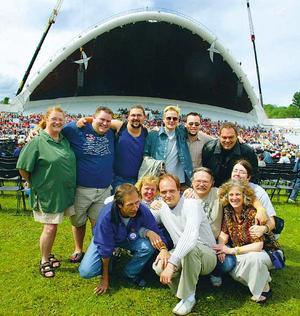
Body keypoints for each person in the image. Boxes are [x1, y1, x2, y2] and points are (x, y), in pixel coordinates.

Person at [17, 106, 76, 278]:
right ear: (46, 119)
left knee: (53, 225)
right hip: (46, 193)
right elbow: (23, 167)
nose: (57, 122)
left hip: (62, 193)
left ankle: (48, 252)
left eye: (60, 119)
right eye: (54, 119)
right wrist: (35, 183)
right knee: (49, 227)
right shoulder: (37, 141)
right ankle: (44, 260)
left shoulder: (63, 140)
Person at [79, 183, 169, 293]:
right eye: (130, 205)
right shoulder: (106, 215)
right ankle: (110, 263)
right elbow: (104, 248)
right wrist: (105, 279)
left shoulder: (143, 209)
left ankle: (129, 273)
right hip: (105, 240)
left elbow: (157, 232)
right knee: (86, 272)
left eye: (137, 203)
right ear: (119, 205)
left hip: (128, 238)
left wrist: (163, 249)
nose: (135, 208)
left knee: (147, 247)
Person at [152, 174, 217, 315]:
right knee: (159, 266)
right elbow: (145, 219)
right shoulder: (162, 206)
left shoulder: (192, 204)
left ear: (179, 190)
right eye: (163, 192)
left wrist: (172, 263)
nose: (168, 195)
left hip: (206, 255)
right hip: (182, 252)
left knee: (189, 249)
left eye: (172, 190)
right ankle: (182, 292)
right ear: (159, 193)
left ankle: (188, 297)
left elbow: (190, 237)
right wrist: (150, 205)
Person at [62, 106, 115, 263]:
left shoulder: (111, 133)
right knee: (78, 222)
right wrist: (36, 130)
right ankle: (78, 249)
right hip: (81, 188)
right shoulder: (76, 128)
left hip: (104, 189)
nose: (104, 124)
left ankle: (98, 251)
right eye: (101, 119)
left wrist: (92, 119)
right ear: (94, 117)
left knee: (98, 223)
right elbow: (53, 129)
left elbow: (118, 123)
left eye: (108, 121)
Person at [214, 180, 281, 303]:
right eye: (231, 195)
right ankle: (264, 280)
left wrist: (231, 250)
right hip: (244, 250)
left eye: (238, 194)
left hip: (266, 251)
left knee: (253, 259)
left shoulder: (252, 213)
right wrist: (221, 247)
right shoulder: (228, 210)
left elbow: (259, 245)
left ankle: (263, 290)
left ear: (244, 196)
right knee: (234, 269)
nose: (234, 198)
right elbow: (224, 232)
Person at [144, 105, 193, 187]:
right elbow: (145, 154)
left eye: (175, 118)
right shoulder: (153, 135)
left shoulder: (182, 133)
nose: (171, 120)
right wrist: (158, 165)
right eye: (168, 118)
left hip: (178, 181)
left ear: (178, 120)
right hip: (158, 179)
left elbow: (197, 132)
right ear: (163, 119)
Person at [202, 122, 258, 187]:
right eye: (224, 137)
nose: (227, 140)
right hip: (213, 189)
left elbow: (254, 175)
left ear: (237, 136)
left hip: (237, 191)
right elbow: (204, 170)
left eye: (231, 137)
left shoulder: (248, 151)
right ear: (219, 136)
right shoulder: (209, 148)